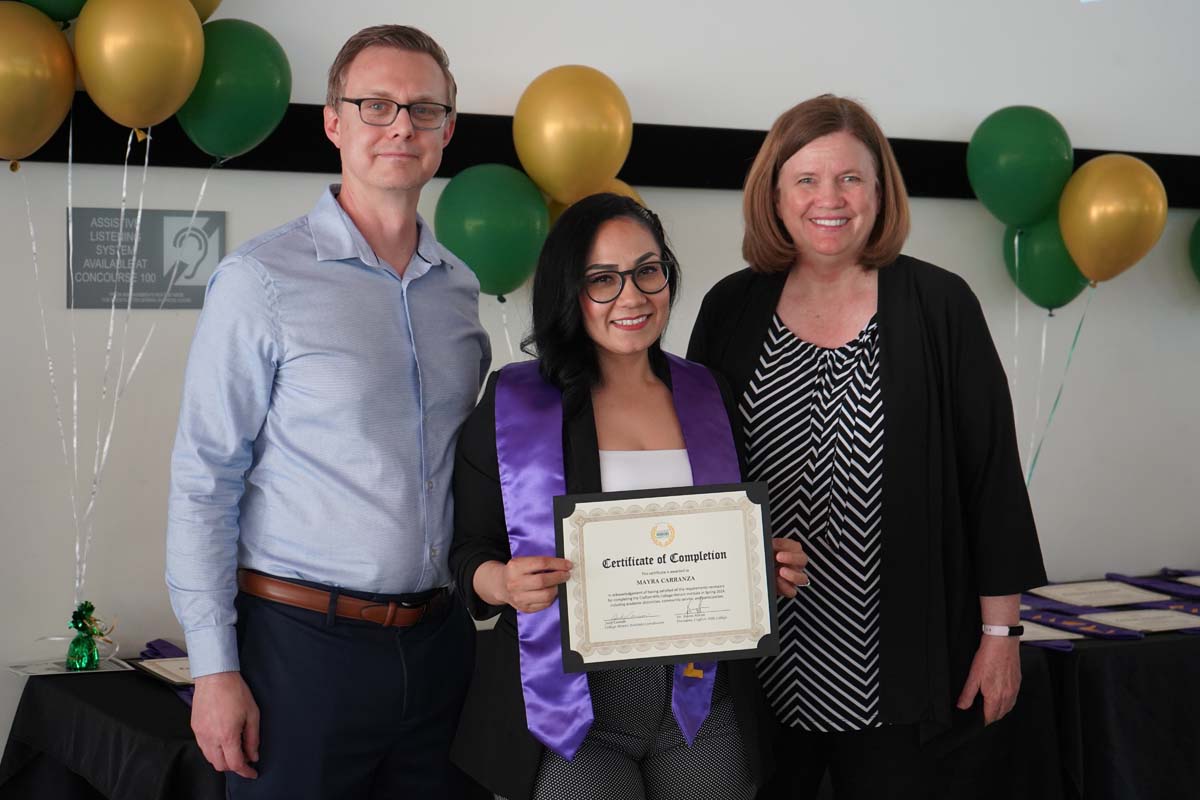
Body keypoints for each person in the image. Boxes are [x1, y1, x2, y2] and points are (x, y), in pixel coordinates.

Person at [687, 95, 1047, 799]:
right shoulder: (730, 308)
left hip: (899, 668)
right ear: (776, 195)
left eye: (851, 179)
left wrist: (1003, 638)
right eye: (808, 180)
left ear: (880, 193)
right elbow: (700, 474)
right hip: (761, 665)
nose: (830, 198)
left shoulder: (940, 306)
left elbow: (991, 479)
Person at [165, 25, 489, 799]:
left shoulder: (461, 292)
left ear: (448, 130)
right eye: (376, 106)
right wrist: (214, 670)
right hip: (298, 652)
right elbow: (204, 479)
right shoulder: (260, 281)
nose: (402, 126)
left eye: (423, 109)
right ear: (333, 121)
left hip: (440, 652)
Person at [448, 193, 807, 800]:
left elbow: (725, 533)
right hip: (569, 709)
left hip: (699, 694)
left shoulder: (707, 391)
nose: (633, 297)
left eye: (647, 270)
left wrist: (761, 566)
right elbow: (467, 552)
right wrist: (503, 583)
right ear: (569, 290)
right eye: (602, 280)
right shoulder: (515, 402)